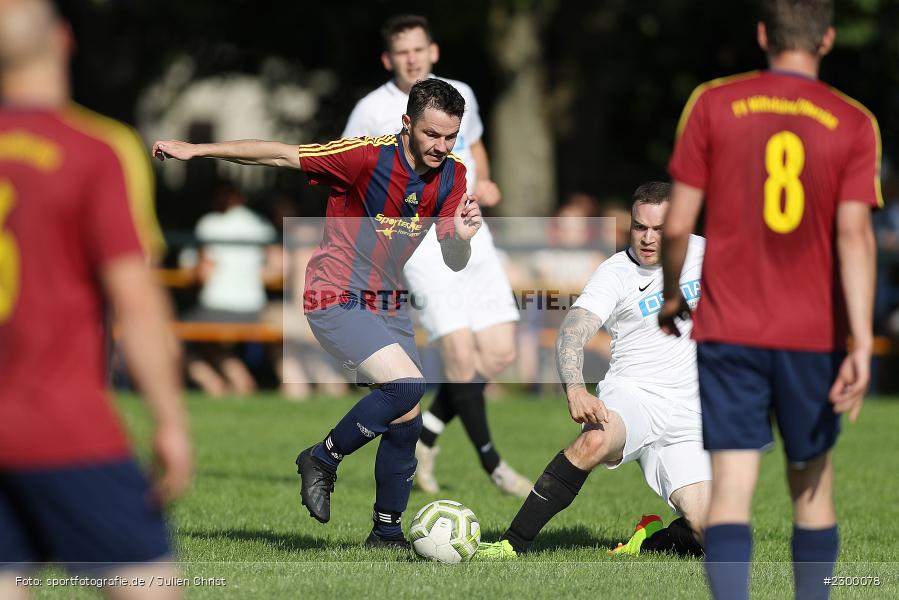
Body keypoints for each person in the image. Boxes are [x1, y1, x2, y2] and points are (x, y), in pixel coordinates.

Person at [153, 78, 482, 548]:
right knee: (408, 386)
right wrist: (199, 150)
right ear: (407, 123)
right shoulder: (364, 156)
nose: (441, 146)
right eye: (432, 134)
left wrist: (463, 239)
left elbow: (453, 256)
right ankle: (323, 457)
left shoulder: (453, 175)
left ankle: (386, 533)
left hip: (387, 301)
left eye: (450, 137)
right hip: (334, 292)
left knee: (407, 414)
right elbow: (279, 155)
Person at [659, 2, 880, 598]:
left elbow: (677, 225)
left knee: (732, 487)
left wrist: (673, 295)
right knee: (812, 487)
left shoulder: (712, 102)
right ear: (827, 39)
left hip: (729, 328)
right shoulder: (854, 121)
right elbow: (855, 236)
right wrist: (861, 341)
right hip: (814, 333)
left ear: (762, 34)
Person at [0, 1, 192, 598]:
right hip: (62, 422)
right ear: (63, 40)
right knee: (149, 585)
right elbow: (136, 302)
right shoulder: (97, 149)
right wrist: (170, 422)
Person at [343, 14, 529, 497]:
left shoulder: (459, 93)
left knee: (501, 352)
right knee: (460, 356)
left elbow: (475, 147)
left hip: (471, 231)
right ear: (388, 59)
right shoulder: (371, 109)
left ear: (434, 52)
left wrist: (486, 181)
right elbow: (350, 170)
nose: (412, 59)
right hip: (420, 243)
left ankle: (425, 436)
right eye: (402, 52)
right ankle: (495, 465)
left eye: (418, 50)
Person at [478, 182, 711, 559]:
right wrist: (575, 389)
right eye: (639, 227)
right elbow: (572, 332)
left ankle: (648, 541)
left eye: (659, 229)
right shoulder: (615, 272)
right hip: (633, 396)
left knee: (713, 533)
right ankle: (511, 545)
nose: (647, 238)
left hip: (690, 412)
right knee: (594, 441)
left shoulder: (705, 252)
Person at [184, 180, 279, 397]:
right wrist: (254, 276)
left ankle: (213, 384)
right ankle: (238, 379)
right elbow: (277, 265)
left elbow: (203, 273)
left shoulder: (209, 223)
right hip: (253, 308)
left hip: (216, 305)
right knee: (211, 344)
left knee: (174, 338)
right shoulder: (259, 223)